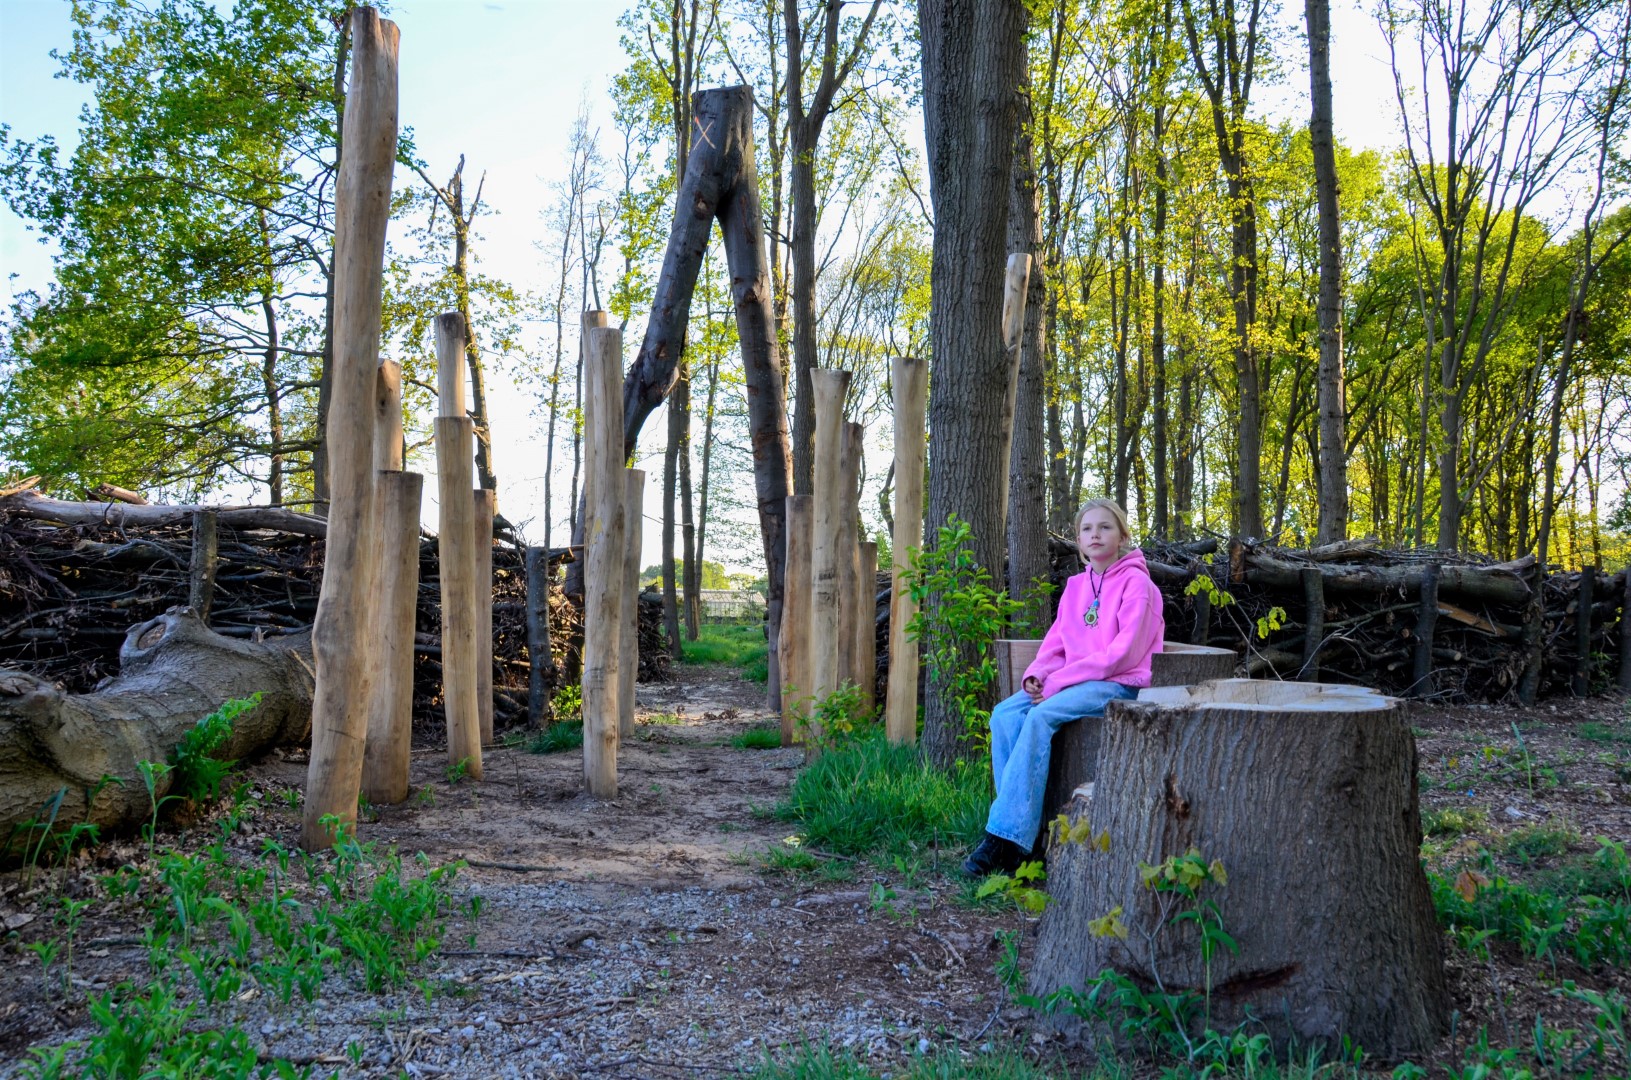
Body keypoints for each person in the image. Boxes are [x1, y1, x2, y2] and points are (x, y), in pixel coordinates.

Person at [963, 498, 1165, 877]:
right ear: (1077, 539)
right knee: (1005, 714)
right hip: (1071, 683)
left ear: (1122, 535)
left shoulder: (1139, 585)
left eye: (1105, 527)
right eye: (1087, 529)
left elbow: (1122, 655)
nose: (1095, 534)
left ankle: (1005, 841)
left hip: (1119, 685)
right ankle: (1020, 830)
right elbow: (1055, 644)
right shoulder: (1075, 587)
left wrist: (1056, 683)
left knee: (1040, 717)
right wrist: (1037, 676)